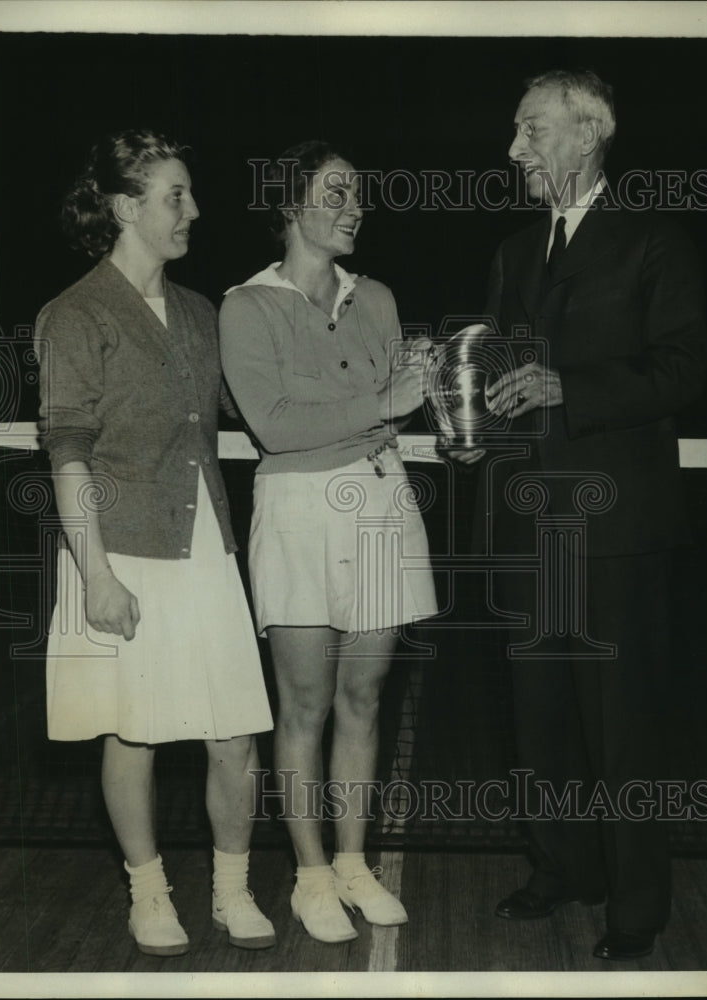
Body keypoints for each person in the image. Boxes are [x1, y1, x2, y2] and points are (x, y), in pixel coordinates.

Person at [451, 70, 707, 960]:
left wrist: (575, 387)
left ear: (588, 133)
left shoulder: (656, 241)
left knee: (623, 723)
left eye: (530, 131)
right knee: (544, 717)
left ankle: (635, 906)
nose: (513, 150)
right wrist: (468, 422)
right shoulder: (516, 252)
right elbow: (494, 377)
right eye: (517, 133)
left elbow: (687, 370)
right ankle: (564, 867)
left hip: (620, 533)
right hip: (530, 529)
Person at [34, 129, 275, 957]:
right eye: (176, 195)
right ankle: (148, 892)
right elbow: (67, 447)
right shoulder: (73, 314)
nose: (194, 211)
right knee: (130, 731)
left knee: (237, 730)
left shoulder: (205, 314)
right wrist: (94, 574)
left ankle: (233, 890)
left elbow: (258, 409)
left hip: (205, 541)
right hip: (117, 547)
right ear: (124, 207)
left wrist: (382, 389)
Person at [218, 140, 437, 943]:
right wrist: (383, 399)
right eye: (337, 193)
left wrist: (417, 388)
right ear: (290, 206)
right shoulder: (245, 306)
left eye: (358, 194)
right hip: (298, 513)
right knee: (303, 705)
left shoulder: (375, 296)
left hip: (380, 504)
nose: (355, 208)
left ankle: (352, 860)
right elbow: (275, 425)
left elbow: (388, 407)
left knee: (363, 698)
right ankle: (309, 876)